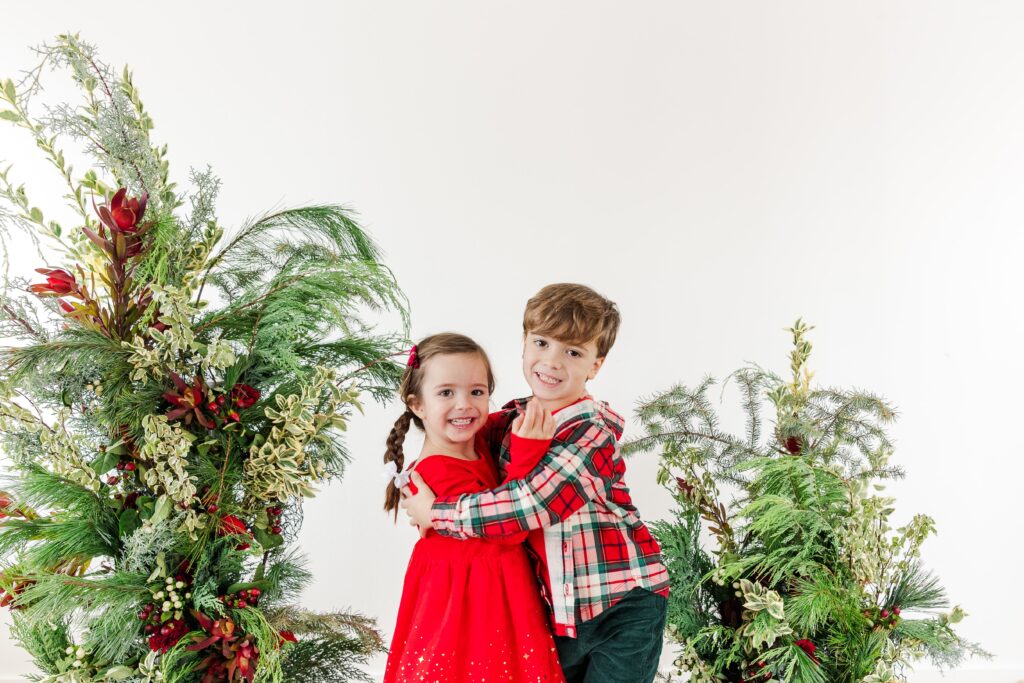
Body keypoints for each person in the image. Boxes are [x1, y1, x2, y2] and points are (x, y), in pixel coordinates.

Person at [401, 284, 670, 683]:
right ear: (523, 345)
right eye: (541, 343)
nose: (552, 361)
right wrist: (417, 472)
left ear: (595, 366)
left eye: (573, 352)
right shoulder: (513, 420)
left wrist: (436, 512)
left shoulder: (590, 432)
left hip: (621, 605)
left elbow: (529, 504)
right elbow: (460, 437)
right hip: (555, 610)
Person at [382, 332, 565, 682]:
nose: (465, 404)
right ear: (417, 404)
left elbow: (503, 420)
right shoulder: (438, 471)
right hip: (471, 608)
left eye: (477, 392)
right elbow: (511, 528)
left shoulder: (477, 440)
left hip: (500, 593)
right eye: (446, 393)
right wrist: (527, 454)